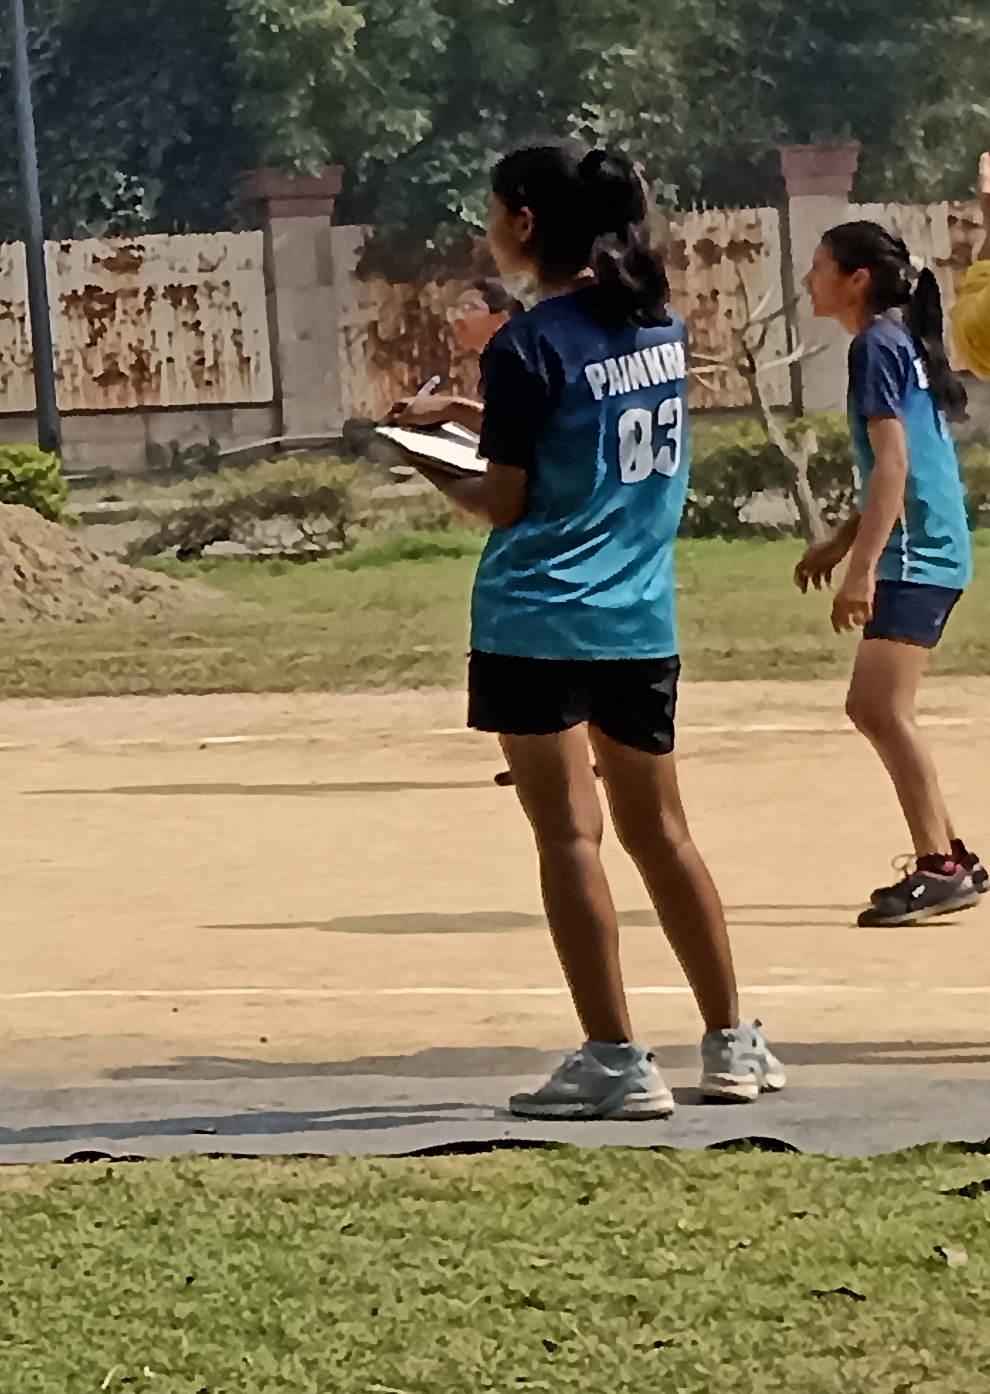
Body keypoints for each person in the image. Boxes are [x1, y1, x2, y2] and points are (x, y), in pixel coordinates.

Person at [394, 139, 781, 1117]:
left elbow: (503, 498)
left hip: (537, 615)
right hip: (638, 615)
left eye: (492, 209)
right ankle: (732, 1040)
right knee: (663, 833)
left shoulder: (525, 343)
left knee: (569, 835)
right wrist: (467, 408)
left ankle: (613, 1058)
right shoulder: (653, 322)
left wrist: (423, 453)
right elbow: (588, 421)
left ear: (523, 222)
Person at [799, 216, 977, 927]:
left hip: (917, 550)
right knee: (881, 709)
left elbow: (896, 467)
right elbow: (891, 467)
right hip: (928, 543)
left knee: (877, 708)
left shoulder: (876, 344)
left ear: (856, 279)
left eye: (820, 266)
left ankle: (938, 867)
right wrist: (841, 543)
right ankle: (951, 857)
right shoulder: (889, 341)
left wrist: (862, 568)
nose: (810, 278)